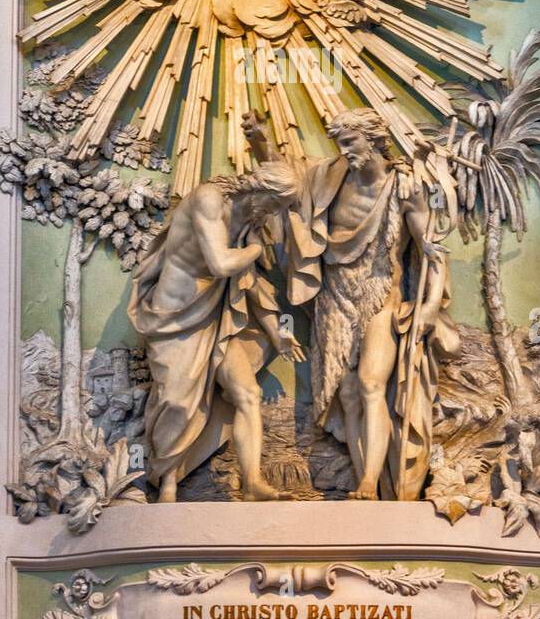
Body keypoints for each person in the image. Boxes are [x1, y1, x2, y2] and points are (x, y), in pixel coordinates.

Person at [244, 108, 459, 500]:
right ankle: (368, 489)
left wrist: (428, 307)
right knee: (346, 393)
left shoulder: (404, 189)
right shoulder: (330, 178)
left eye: (350, 142)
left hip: (381, 295)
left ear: (374, 138)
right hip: (335, 297)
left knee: (370, 382)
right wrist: (260, 140)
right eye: (340, 144)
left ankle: (367, 481)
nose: (344, 151)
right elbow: (286, 184)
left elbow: (433, 252)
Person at [129, 162, 304, 501]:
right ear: (259, 189)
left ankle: (252, 482)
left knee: (248, 394)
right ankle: (167, 484)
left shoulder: (251, 220)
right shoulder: (209, 199)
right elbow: (221, 264)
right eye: (275, 204)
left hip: (218, 315)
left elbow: (247, 280)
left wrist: (275, 329)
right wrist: (254, 249)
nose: (273, 214)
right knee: (176, 403)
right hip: (175, 317)